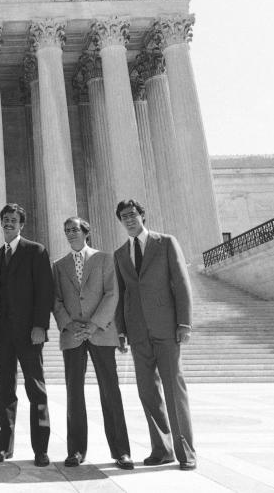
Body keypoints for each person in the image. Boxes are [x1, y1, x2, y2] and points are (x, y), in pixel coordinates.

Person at [113, 200, 196, 471]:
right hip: (138, 332)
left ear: (143, 216)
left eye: (132, 215)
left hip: (166, 327)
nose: (129, 220)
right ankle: (161, 449)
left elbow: (181, 283)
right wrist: (121, 330)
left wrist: (184, 323)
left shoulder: (166, 243)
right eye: (124, 217)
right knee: (147, 391)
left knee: (174, 389)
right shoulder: (121, 254)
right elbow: (122, 294)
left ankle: (186, 452)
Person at [52, 217, 133, 470]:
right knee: (74, 393)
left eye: (75, 230)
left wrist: (95, 324)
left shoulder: (104, 259)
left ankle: (122, 451)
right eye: (67, 231)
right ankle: (76, 450)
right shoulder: (59, 264)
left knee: (110, 391)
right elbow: (55, 299)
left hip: (101, 331)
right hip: (73, 334)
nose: (70, 234)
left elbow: (113, 293)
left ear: (86, 232)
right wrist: (69, 323)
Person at [0, 203, 53, 467]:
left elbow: (45, 291)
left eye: (13, 220)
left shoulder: (35, 251)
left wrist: (41, 325)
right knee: (4, 391)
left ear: (21, 224)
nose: (8, 223)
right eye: (5, 219)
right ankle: (4, 446)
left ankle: (41, 448)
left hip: (30, 333)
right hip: (4, 334)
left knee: (36, 390)